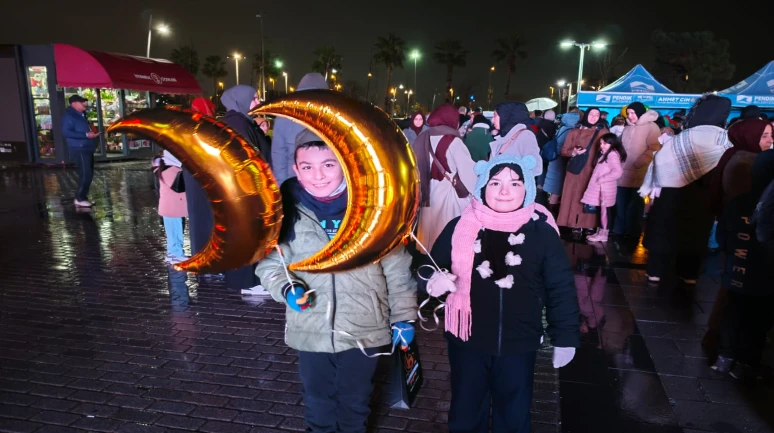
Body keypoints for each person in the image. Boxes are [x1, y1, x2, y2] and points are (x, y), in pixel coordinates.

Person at [255, 129, 417, 433]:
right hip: (311, 328)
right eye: (307, 167)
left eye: (328, 165)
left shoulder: (374, 209)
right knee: (318, 402)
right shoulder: (284, 211)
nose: (318, 175)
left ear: (346, 163)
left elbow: (397, 270)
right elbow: (271, 264)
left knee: (355, 402)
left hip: (364, 328)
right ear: (295, 170)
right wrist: (287, 288)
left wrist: (404, 318)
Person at [425, 154, 579, 433]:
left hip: (519, 343)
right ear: (483, 187)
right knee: (466, 410)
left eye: (515, 183)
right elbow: (428, 266)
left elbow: (561, 287)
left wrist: (565, 337)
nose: (505, 191)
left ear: (528, 189)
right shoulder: (458, 227)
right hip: (467, 340)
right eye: (495, 183)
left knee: (514, 413)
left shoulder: (542, 233)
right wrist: (431, 282)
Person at [711, 150, 774, 380]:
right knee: (758, 320)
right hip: (766, 276)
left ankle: (724, 357)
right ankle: (746, 362)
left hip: (737, 271)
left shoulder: (739, 201)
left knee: (733, 312)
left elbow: (722, 238)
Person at [220, 85, 271, 291]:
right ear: (241, 100)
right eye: (254, 99)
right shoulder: (238, 124)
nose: (258, 103)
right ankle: (248, 284)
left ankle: (247, 281)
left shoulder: (239, 121)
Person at [412, 104, 477, 252]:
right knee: (445, 228)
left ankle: (426, 254)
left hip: (427, 190)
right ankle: (442, 258)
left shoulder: (423, 137)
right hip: (448, 192)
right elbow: (468, 173)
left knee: (430, 225)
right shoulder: (454, 141)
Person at [556, 107, 609, 232]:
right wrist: (573, 152)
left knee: (589, 197)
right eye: (591, 114)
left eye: (597, 114)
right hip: (575, 170)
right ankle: (572, 222)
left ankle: (588, 224)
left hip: (593, 170)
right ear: (586, 115)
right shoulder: (574, 132)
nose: (594, 117)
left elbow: (610, 150)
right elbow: (564, 151)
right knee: (573, 195)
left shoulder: (603, 132)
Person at [271, 73, 329, 185]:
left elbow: (278, 156)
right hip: (327, 183)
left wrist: (283, 186)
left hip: (294, 182)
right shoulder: (333, 115)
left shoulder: (283, 116)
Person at [614, 102, 661, 239]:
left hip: (639, 172)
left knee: (634, 205)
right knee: (620, 203)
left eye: (633, 113)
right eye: (628, 113)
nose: (630, 116)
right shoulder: (628, 127)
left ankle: (632, 230)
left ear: (640, 112)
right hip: (622, 172)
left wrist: (639, 162)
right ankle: (619, 229)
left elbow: (654, 148)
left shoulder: (652, 127)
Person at [184, 97, 217, 268]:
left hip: (193, 178)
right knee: (209, 221)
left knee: (198, 221)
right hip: (205, 180)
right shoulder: (207, 129)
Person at [582, 133, 626, 243]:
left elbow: (618, 172)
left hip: (605, 189)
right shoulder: (606, 153)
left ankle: (604, 234)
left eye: (605, 143)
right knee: (602, 211)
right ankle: (600, 232)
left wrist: (602, 179)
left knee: (604, 211)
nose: (602, 146)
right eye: (601, 143)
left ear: (613, 143)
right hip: (602, 189)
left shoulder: (612, 155)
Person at [62, 94, 99, 207]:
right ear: (74, 104)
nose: (84, 104)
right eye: (81, 102)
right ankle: (80, 198)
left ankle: (82, 197)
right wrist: (86, 135)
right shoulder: (68, 115)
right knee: (86, 174)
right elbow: (66, 132)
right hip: (79, 148)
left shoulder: (81, 114)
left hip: (86, 147)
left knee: (88, 173)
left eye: (84, 102)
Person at [489, 102, 542, 174]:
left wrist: (511, 179)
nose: (492, 120)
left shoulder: (525, 135)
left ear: (505, 116)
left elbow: (536, 168)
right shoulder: (504, 136)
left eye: (495, 115)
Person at [154, 151, 188, 264]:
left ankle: (173, 253)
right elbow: (179, 186)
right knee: (174, 232)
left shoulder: (167, 168)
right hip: (171, 209)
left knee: (175, 232)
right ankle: (175, 254)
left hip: (172, 208)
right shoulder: (168, 170)